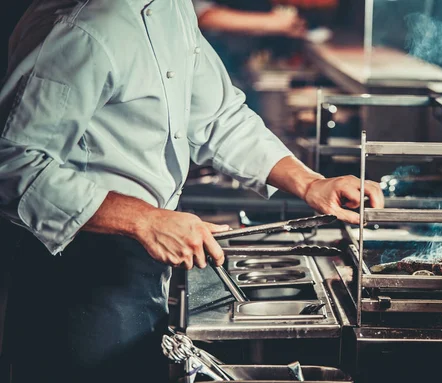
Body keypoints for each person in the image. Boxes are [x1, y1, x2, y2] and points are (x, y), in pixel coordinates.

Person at [0, 0, 383, 382]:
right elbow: (12, 165)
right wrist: (145, 221)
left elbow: (220, 118)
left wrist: (310, 182)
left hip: (139, 263)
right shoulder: (82, 24)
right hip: (73, 275)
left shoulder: (172, 7)